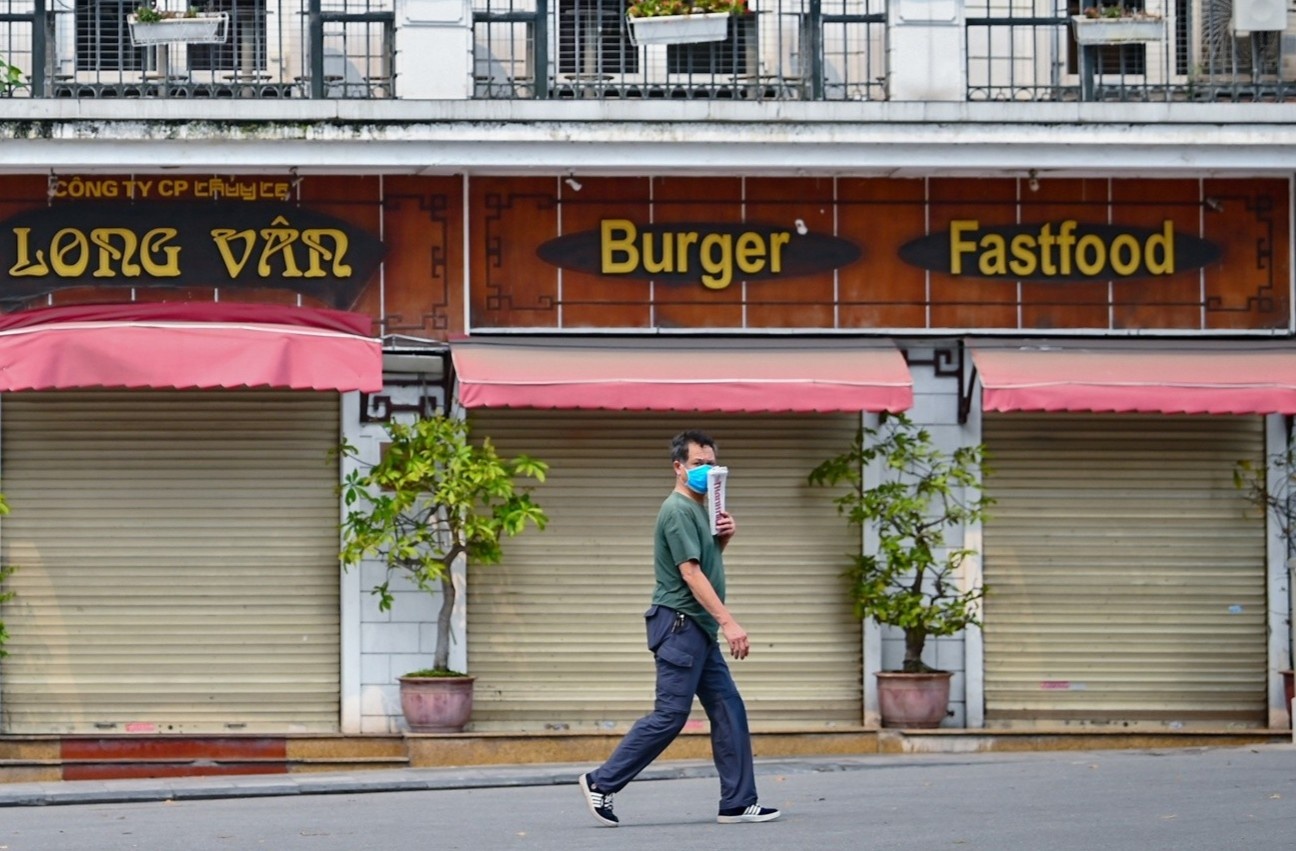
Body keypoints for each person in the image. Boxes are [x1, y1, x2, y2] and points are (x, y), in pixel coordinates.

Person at [578, 429, 780, 827]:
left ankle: (737, 802)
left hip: (698, 630)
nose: (707, 470)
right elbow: (689, 574)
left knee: (728, 711)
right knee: (670, 716)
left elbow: (702, 562)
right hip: (680, 627)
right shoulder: (676, 510)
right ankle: (601, 781)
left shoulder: (698, 512)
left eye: (711, 464)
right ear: (678, 467)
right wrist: (729, 622)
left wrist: (723, 540)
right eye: (698, 464)